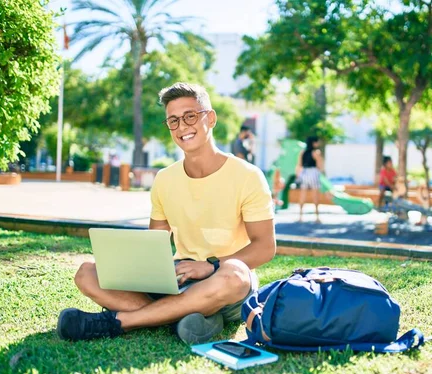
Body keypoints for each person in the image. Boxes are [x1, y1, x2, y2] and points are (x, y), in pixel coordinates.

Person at [57, 83, 276, 344]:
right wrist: (142, 269)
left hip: (224, 281)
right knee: (87, 273)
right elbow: (156, 243)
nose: (182, 126)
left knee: (236, 275)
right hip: (178, 278)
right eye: (173, 121)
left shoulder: (248, 176)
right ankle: (190, 318)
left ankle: (119, 322)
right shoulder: (164, 179)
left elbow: (265, 247)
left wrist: (210, 265)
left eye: (190, 116)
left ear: (211, 118)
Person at [295, 136, 324, 223]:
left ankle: (300, 216)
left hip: (304, 173)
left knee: (302, 195)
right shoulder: (316, 152)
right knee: (315, 196)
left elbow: (299, 165)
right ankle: (317, 217)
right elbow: (320, 165)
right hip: (313, 173)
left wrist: (297, 176)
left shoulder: (302, 152)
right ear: (313, 143)